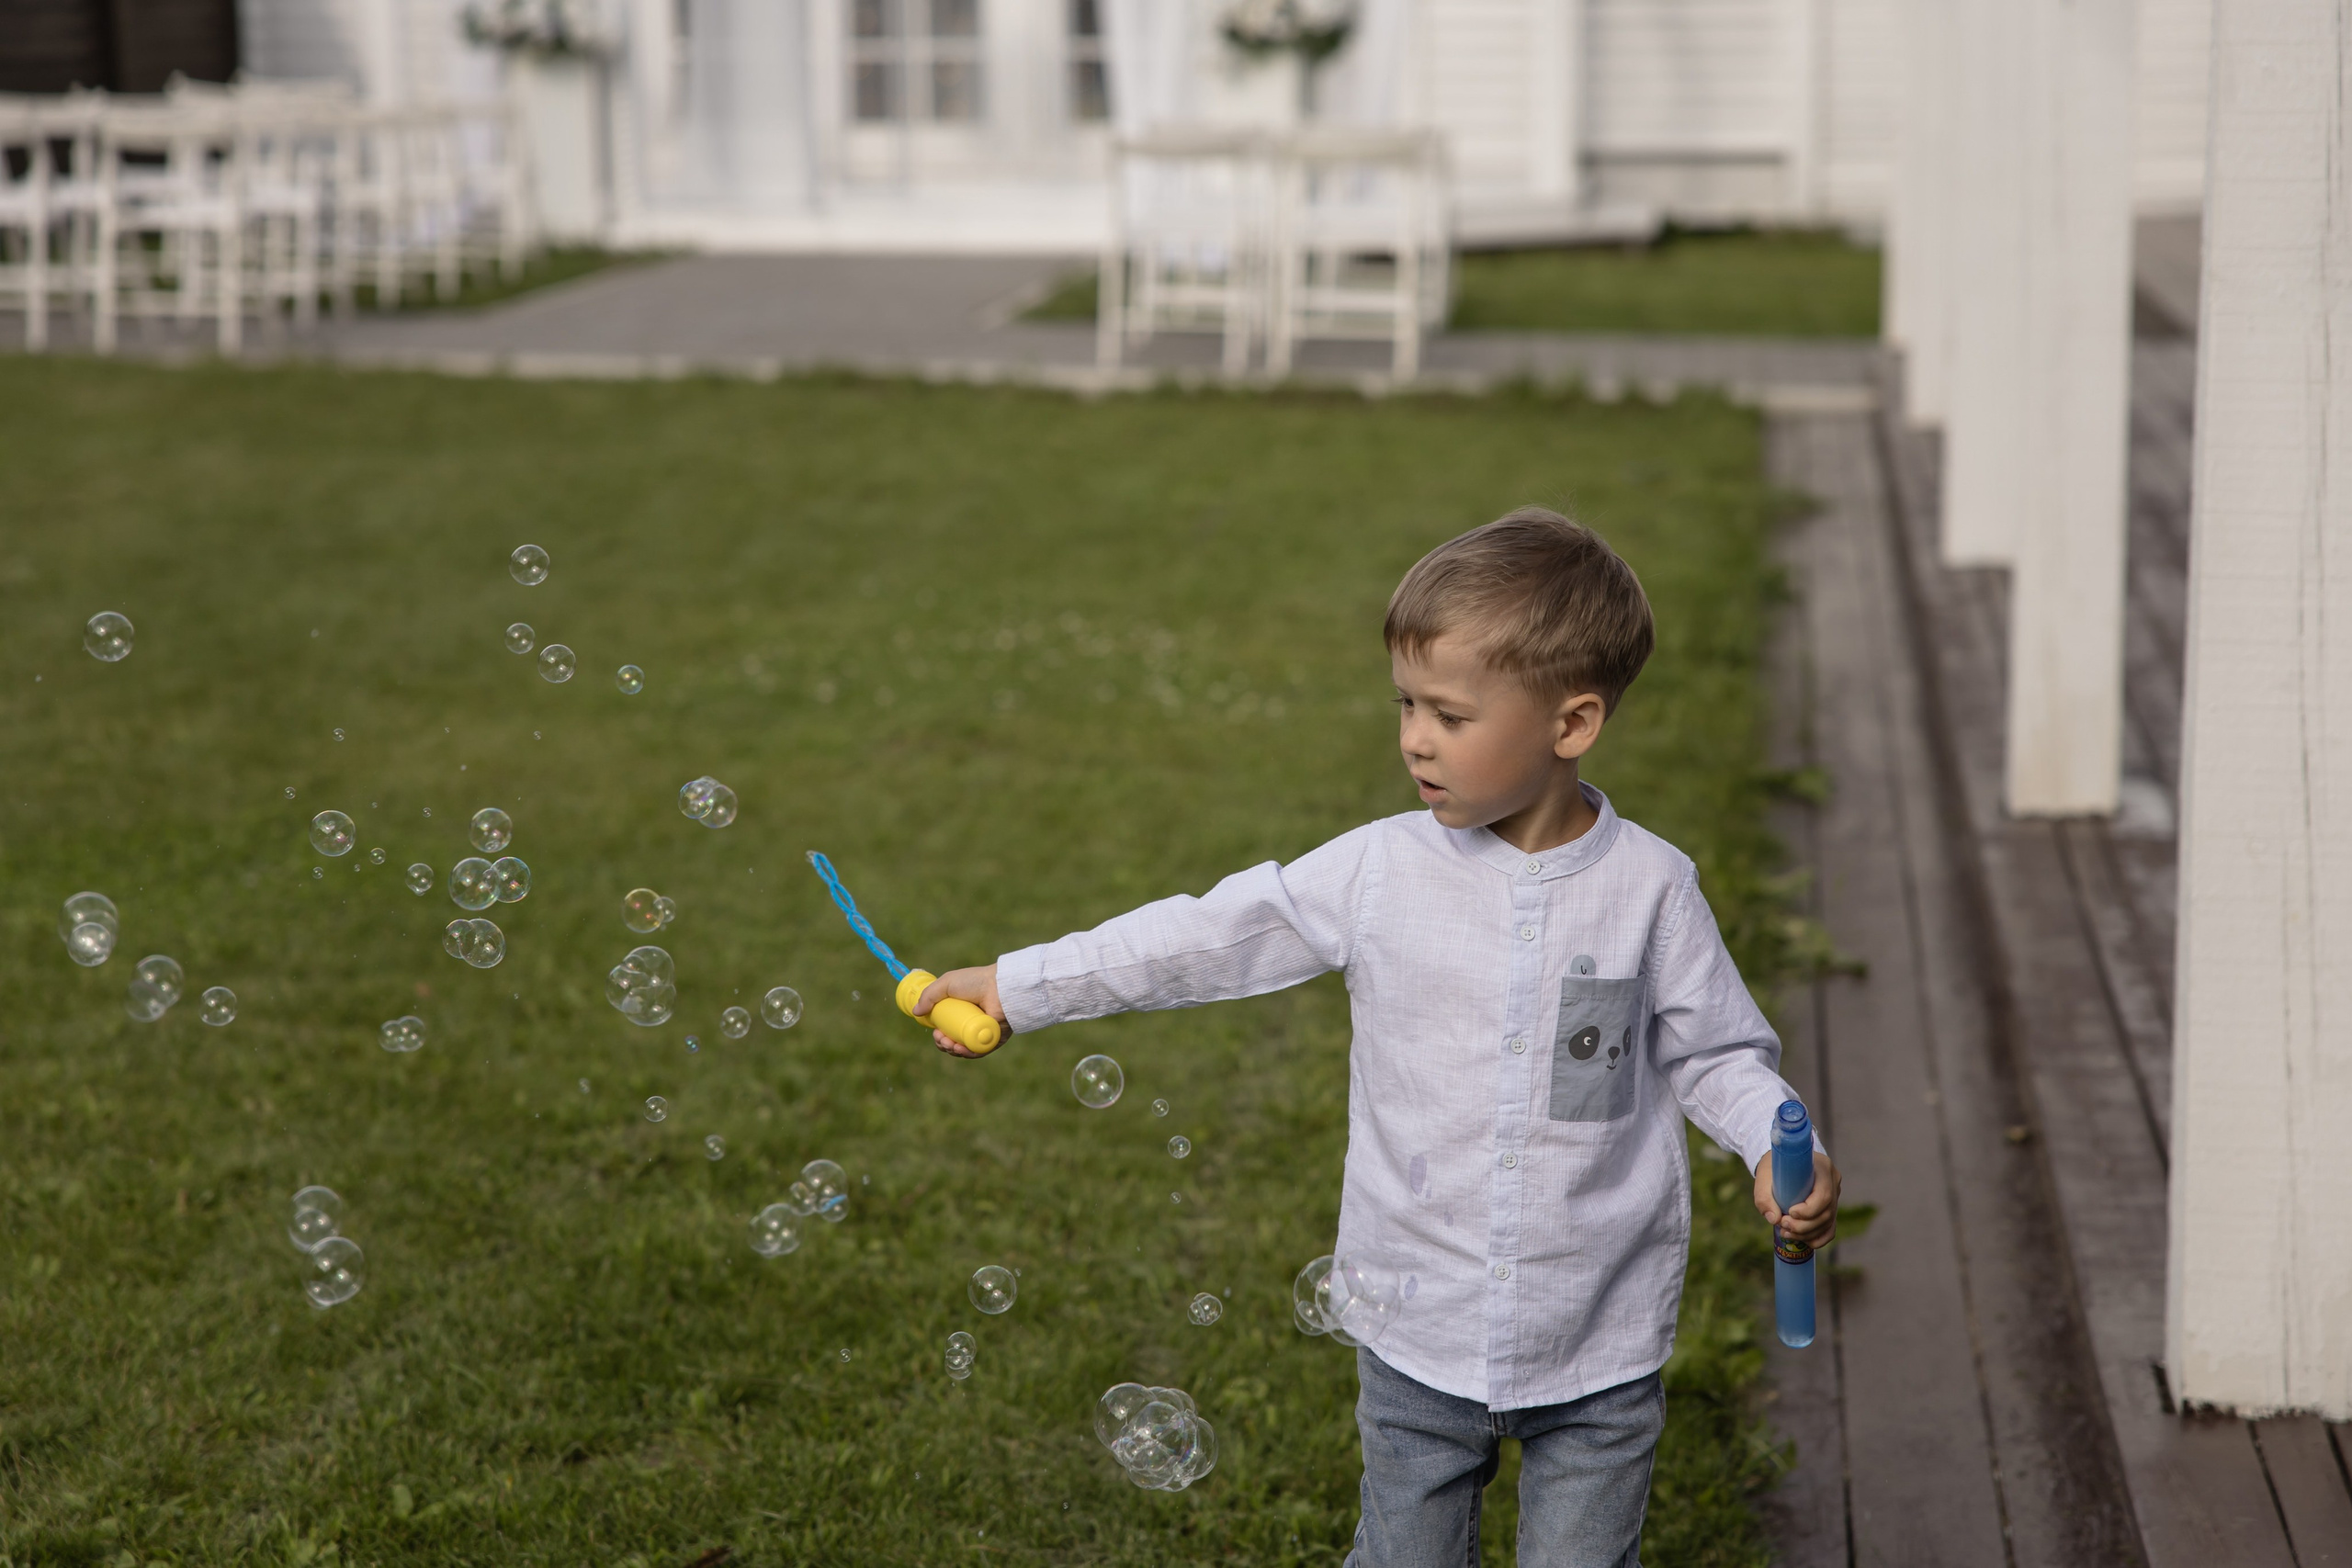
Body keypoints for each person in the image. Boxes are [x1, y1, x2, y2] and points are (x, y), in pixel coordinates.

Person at [917, 506, 1840, 1566]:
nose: (1413, 738)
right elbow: (1206, 936)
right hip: (1416, 1325)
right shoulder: (1377, 871)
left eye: (1449, 714)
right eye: (1406, 703)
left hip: (1597, 1331)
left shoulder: (1652, 889)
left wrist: (1779, 1140)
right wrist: (1021, 985)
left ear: (1571, 724)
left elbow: (1713, 1053)